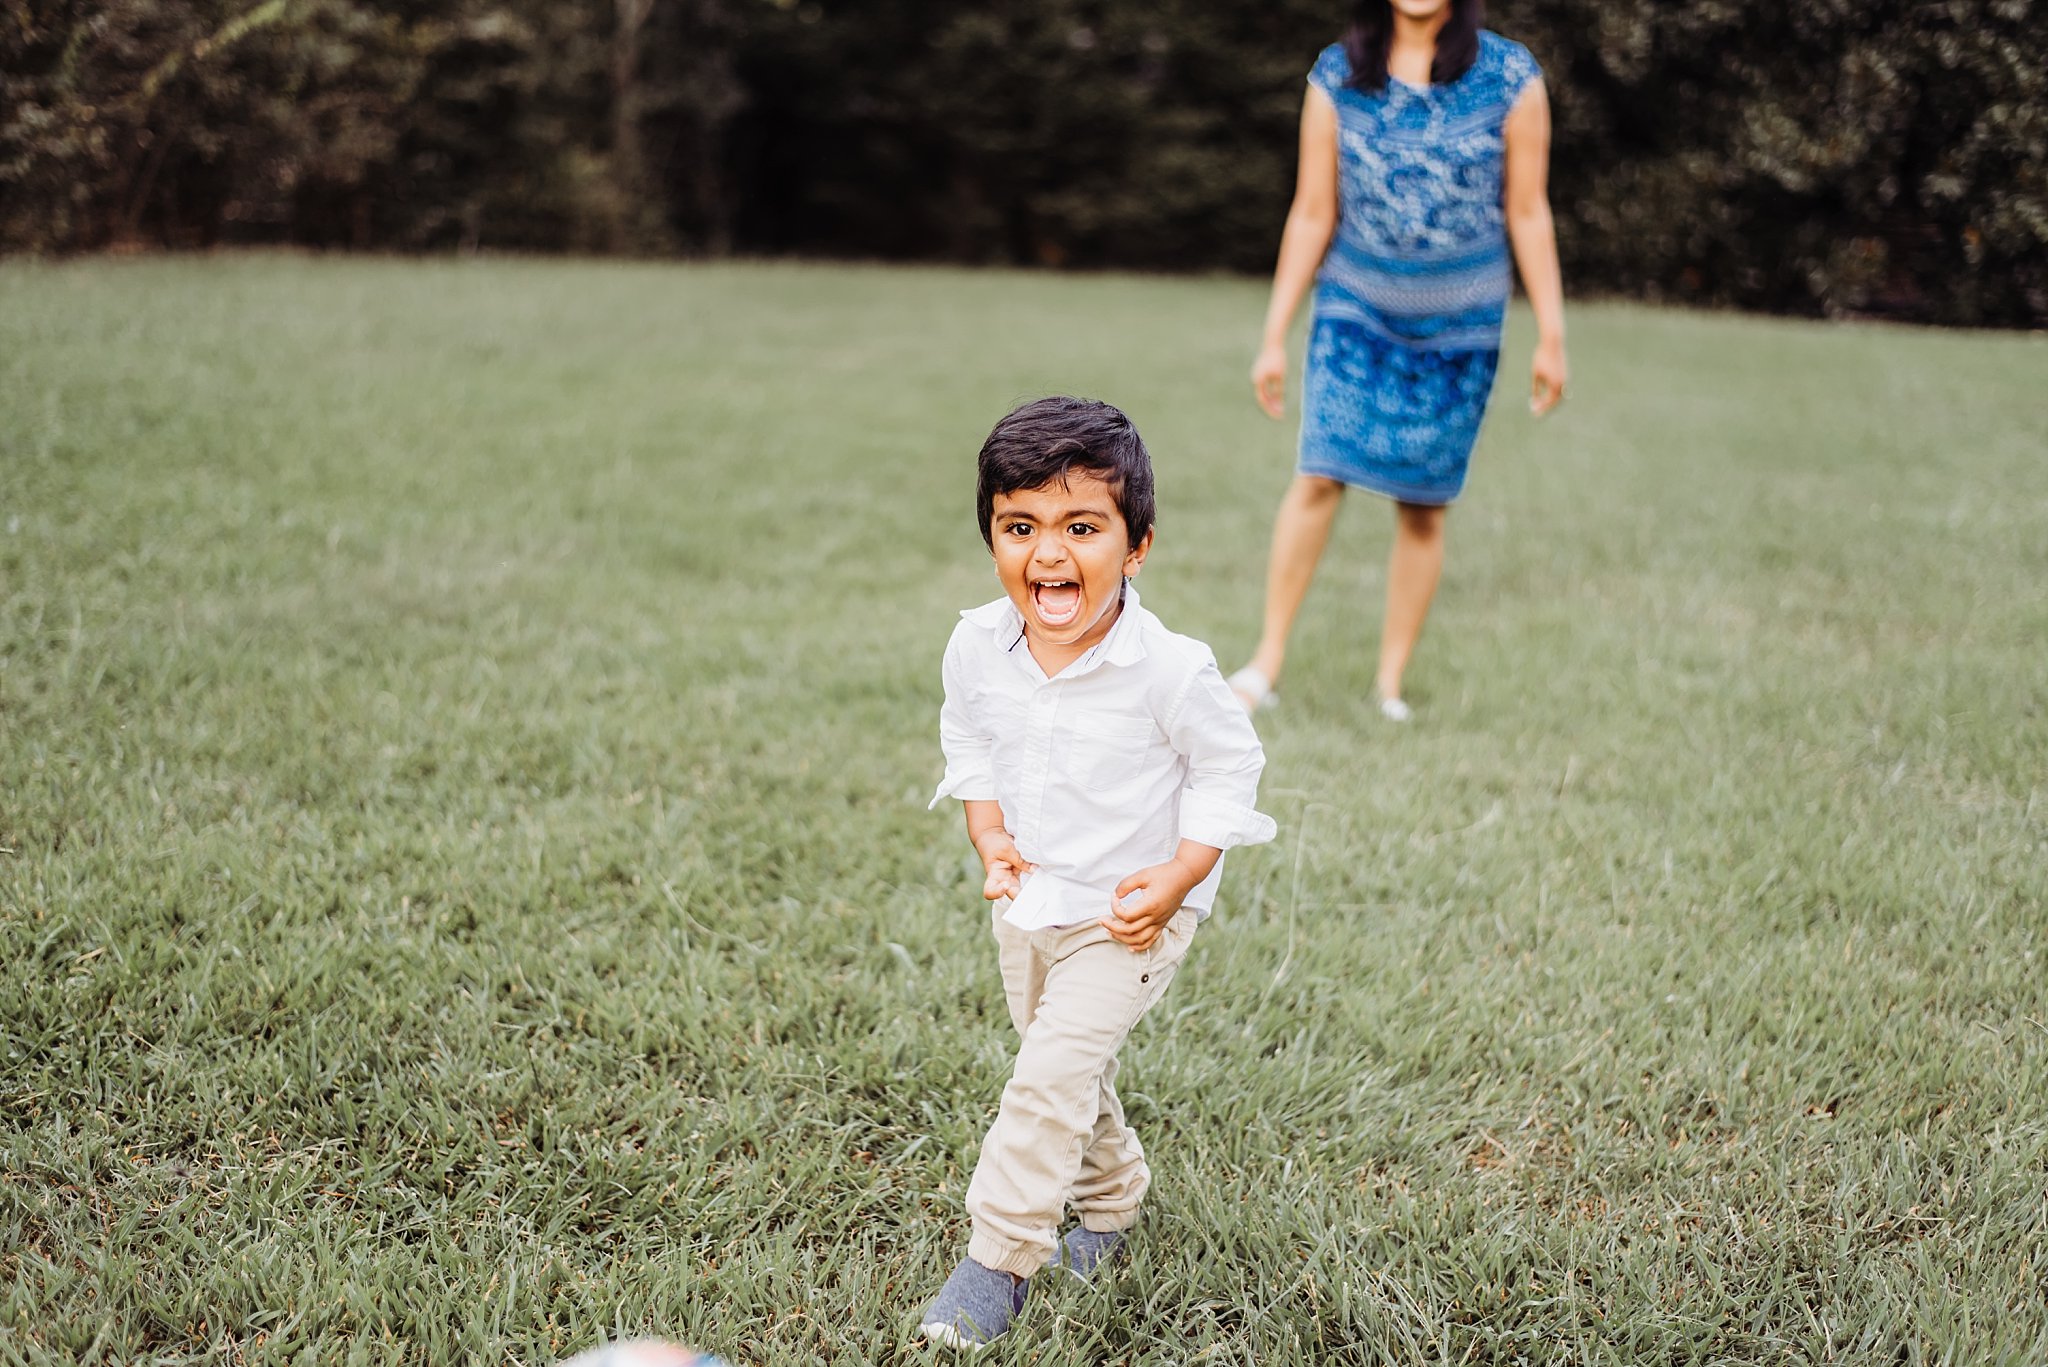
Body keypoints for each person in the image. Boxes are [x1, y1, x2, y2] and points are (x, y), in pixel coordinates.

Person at [919, 396, 1278, 1347]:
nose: (1048, 554)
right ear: (991, 536)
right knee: (1062, 1060)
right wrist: (987, 833)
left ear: (1137, 545)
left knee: (1044, 1079)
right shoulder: (975, 645)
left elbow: (1231, 763)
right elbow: (970, 736)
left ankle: (997, 1260)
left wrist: (1180, 874)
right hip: (1031, 895)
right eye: (1020, 526)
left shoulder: (1168, 667)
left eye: (1083, 527)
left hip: (1131, 911)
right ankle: (1113, 1204)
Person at [1229, 0, 1567, 721]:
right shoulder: (1336, 77)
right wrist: (1273, 332)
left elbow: (1529, 211)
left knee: (1424, 504)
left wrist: (1552, 334)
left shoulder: (1511, 78)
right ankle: (1266, 660)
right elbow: (1313, 211)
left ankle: (1389, 684)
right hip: (1354, 312)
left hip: (1462, 327)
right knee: (1319, 474)